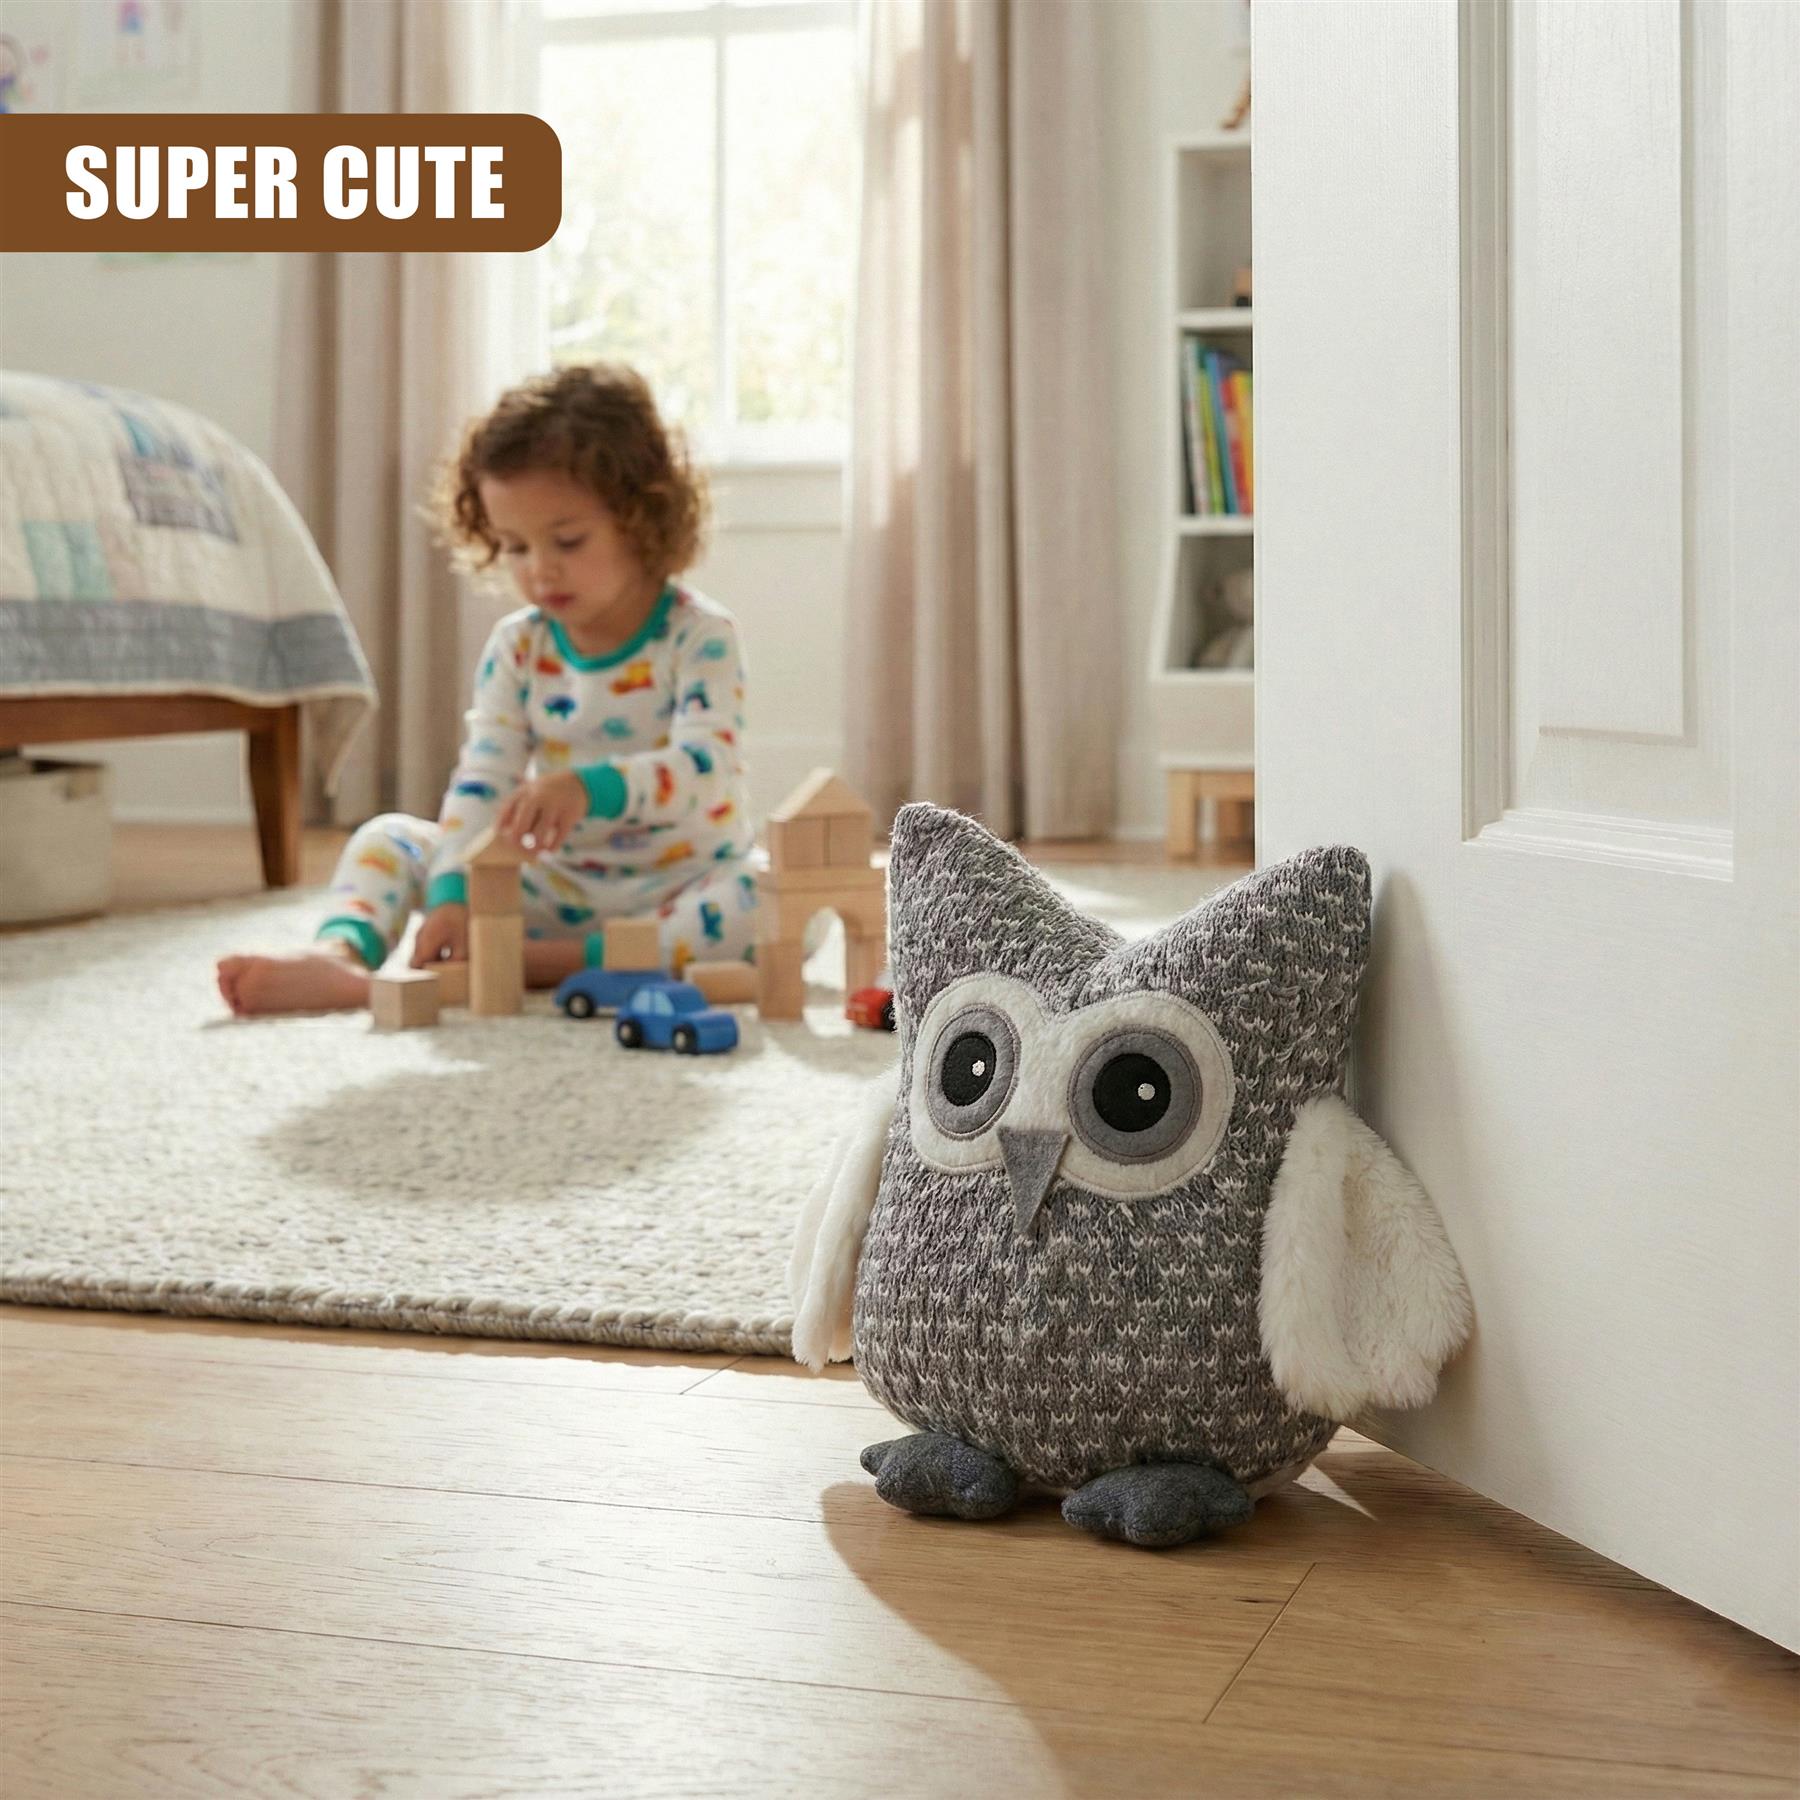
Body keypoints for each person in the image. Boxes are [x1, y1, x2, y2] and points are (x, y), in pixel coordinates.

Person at [217, 363, 756, 1017]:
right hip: (552, 887)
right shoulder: (519, 646)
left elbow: (706, 769)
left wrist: (588, 787)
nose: (539, 569)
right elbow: (483, 779)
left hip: (676, 886)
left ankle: (527, 968)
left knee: (768, 898)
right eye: (513, 546)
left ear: (641, 515)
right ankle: (343, 959)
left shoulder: (699, 635)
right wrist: (451, 892)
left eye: (566, 540)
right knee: (390, 839)